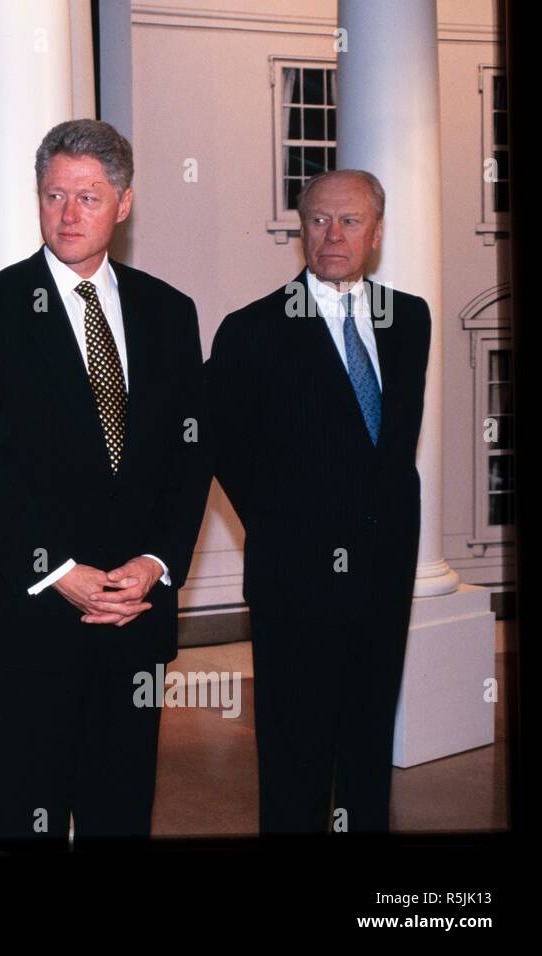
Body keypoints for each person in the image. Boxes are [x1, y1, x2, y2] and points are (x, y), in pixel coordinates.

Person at [0, 119, 210, 848]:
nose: (67, 215)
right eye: (54, 195)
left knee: (121, 815)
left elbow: (190, 458)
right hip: (34, 618)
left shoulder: (169, 312)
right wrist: (57, 569)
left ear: (122, 204)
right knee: (26, 817)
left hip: (135, 616)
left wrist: (156, 565)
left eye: (87, 198)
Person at [206, 168, 430, 834]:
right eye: (318, 220)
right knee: (294, 757)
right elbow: (224, 449)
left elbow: (390, 452)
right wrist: (284, 528)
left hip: (385, 575)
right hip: (294, 580)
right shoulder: (251, 331)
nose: (332, 234)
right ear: (302, 229)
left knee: (367, 747)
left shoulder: (408, 319)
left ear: (378, 232)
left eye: (350, 221)